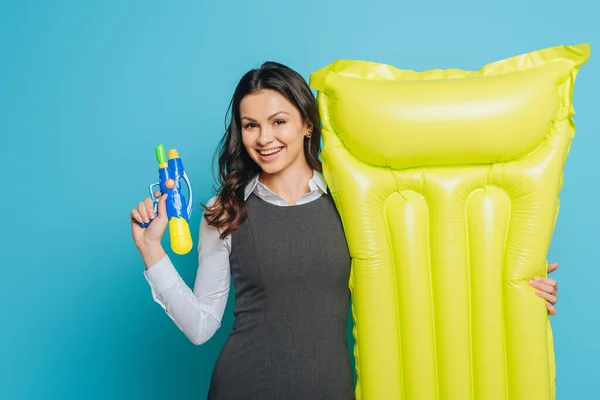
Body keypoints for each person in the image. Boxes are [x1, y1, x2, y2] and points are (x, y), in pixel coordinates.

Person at [130, 62, 560, 399]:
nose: (264, 138)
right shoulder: (223, 211)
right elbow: (203, 325)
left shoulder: (356, 199)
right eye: (250, 125)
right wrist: (152, 251)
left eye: (279, 121)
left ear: (307, 123)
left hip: (331, 391)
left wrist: (517, 287)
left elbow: (426, 270)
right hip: (244, 388)